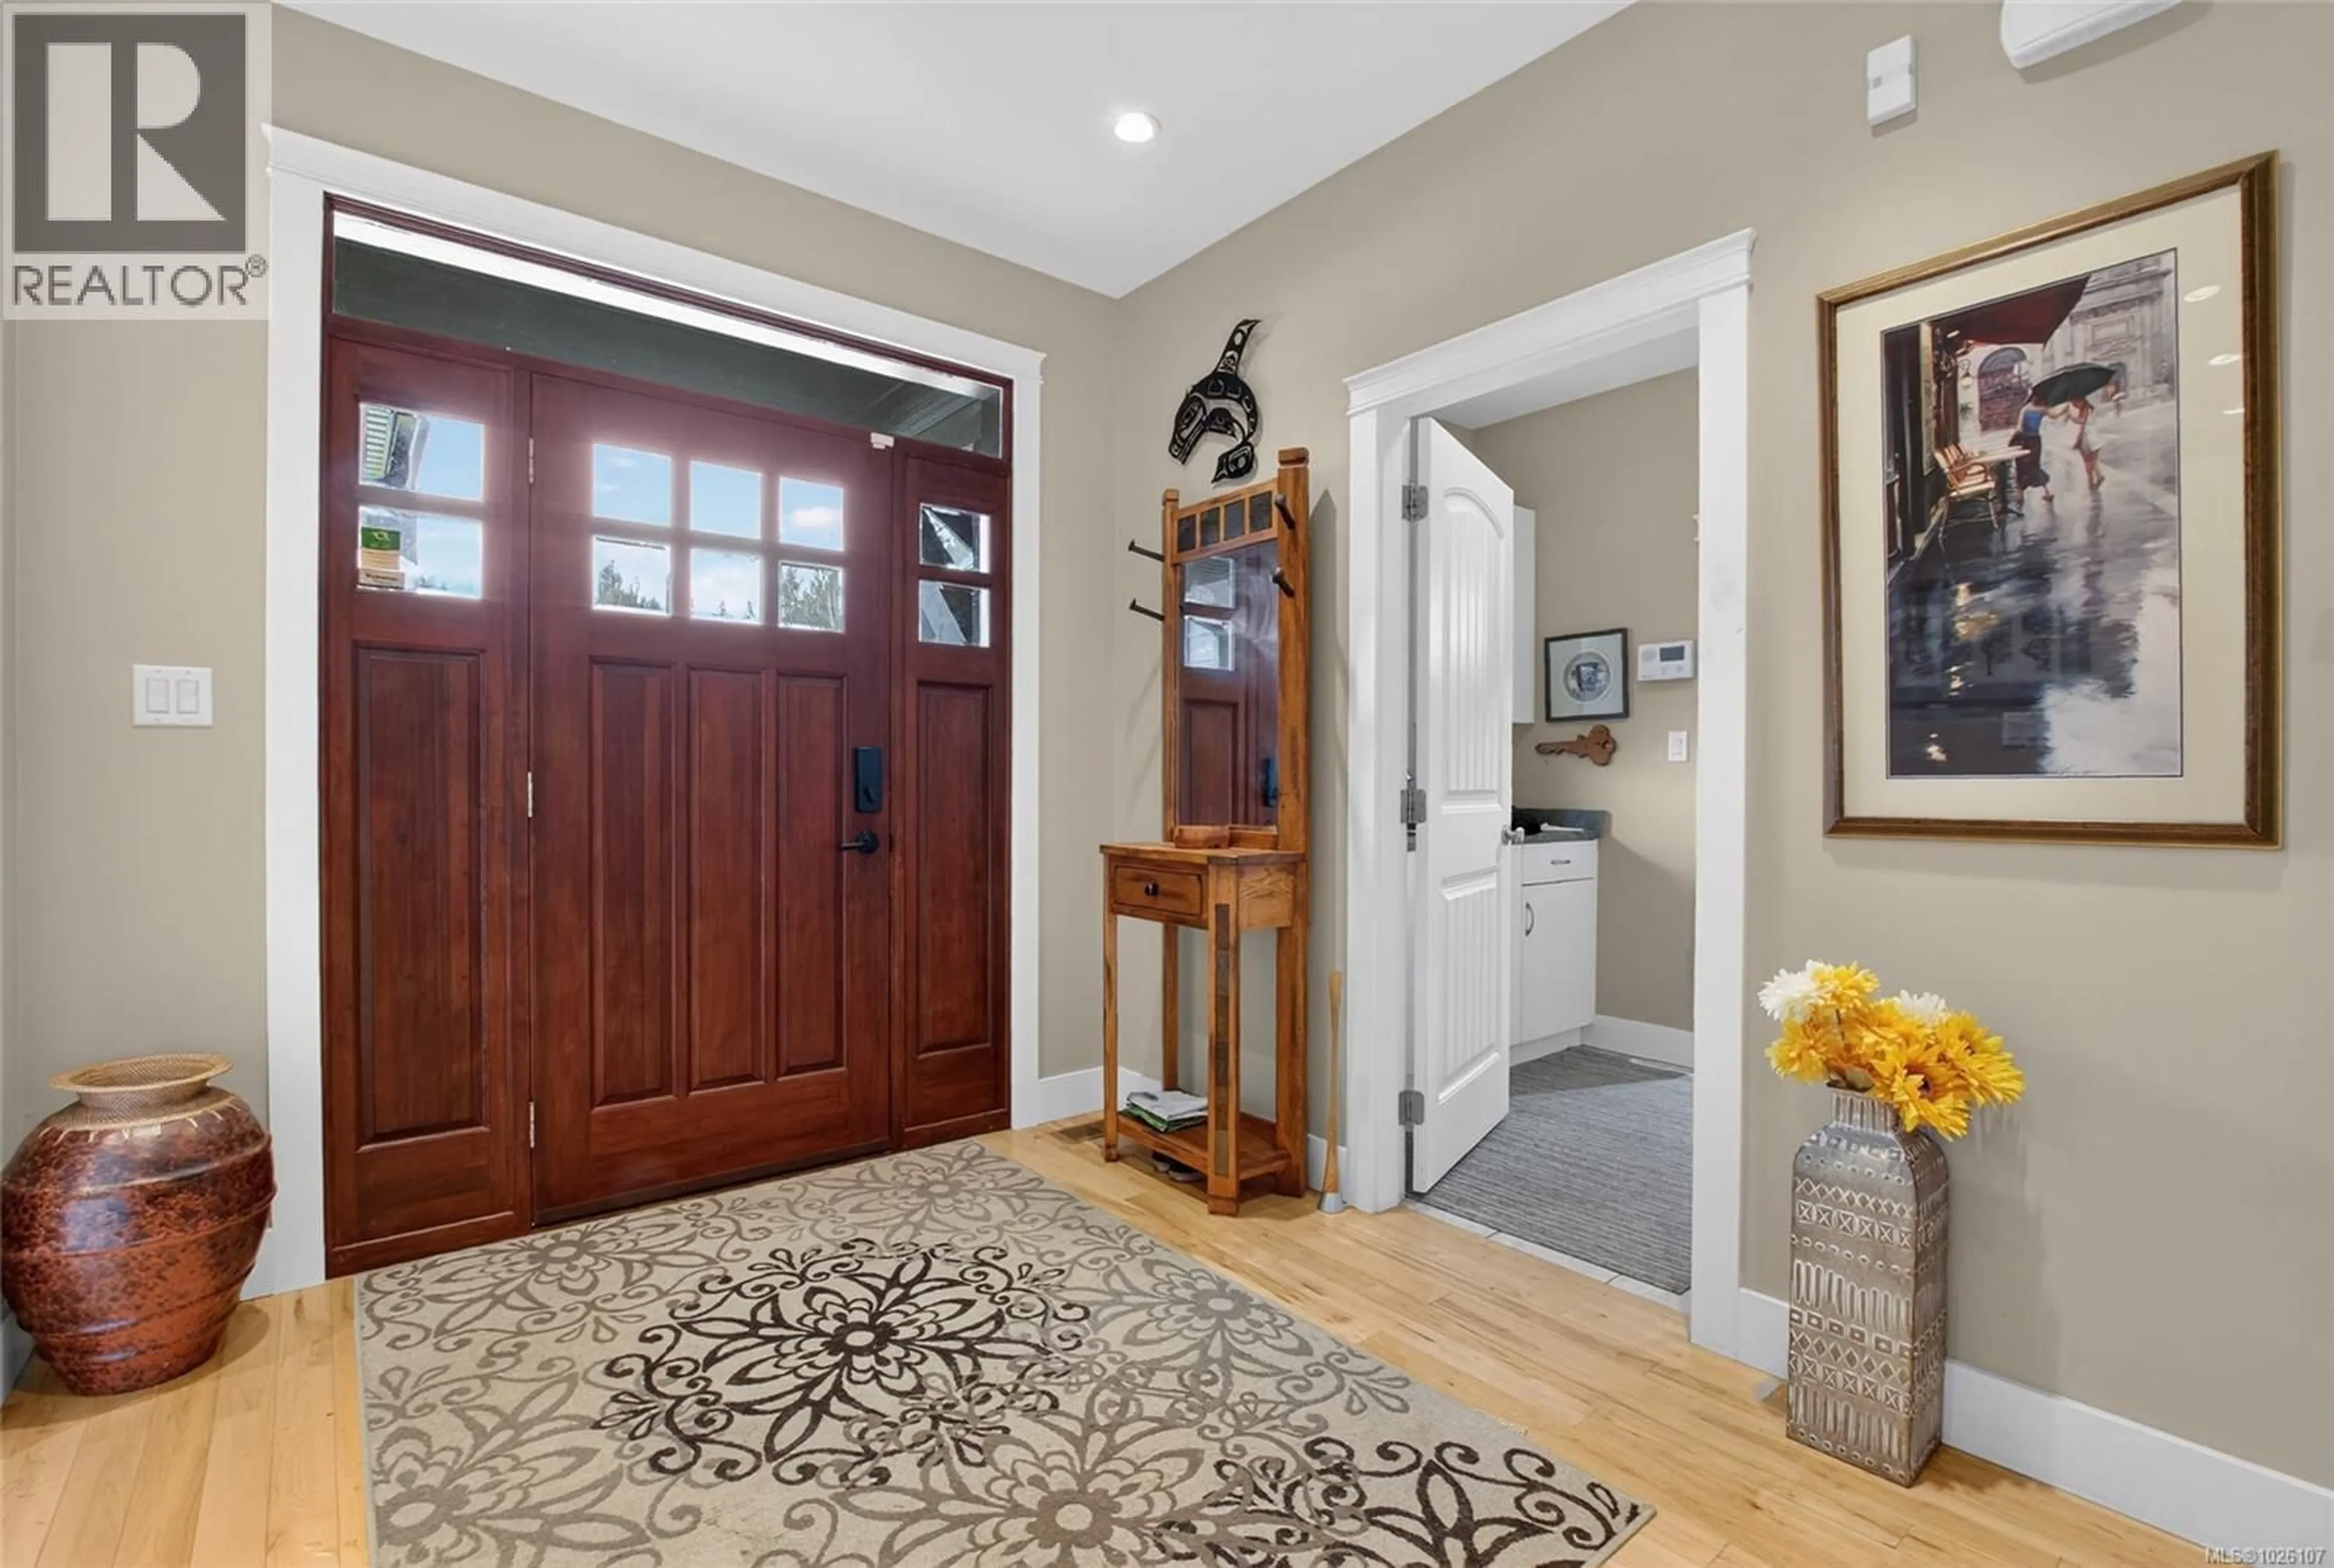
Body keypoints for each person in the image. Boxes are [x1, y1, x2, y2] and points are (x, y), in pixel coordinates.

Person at [2011, 388, 2061, 505]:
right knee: (2034, 465)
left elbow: (2019, 427)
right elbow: (2056, 415)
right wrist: (2067, 409)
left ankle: (2020, 495)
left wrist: (2013, 438)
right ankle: (2047, 492)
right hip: (2035, 441)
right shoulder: (2042, 410)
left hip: (2025, 441)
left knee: (2022, 466)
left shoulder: (2026, 409)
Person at [2069, 394, 2103, 490]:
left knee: (2088, 461)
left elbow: (2082, 422)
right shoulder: (2089, 408)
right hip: (2095, 437)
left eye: (2075, 403)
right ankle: (2098, 475)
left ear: (2080, 401)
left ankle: (2091, 481)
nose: (2074, 405)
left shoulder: (2085, 409)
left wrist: (2072, 418)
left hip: (2088, 438)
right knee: (2093, 460)